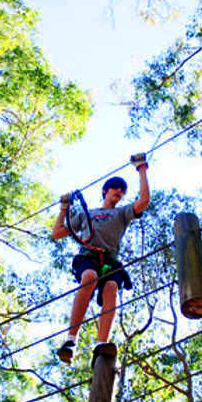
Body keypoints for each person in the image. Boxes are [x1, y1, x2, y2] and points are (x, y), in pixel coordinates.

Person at [50, 153, 150, 366]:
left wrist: (141, 168)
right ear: (105, 191)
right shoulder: (88, 214)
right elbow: (57, 233)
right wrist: (64, 208)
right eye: (115, 188)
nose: (120, 193)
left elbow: (143, 201)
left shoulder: (122, 213)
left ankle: (100, 343)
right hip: (89, 255)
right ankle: (70, 341)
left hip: (110, 259)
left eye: (122, 191)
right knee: (89, 276)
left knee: (111, 288)